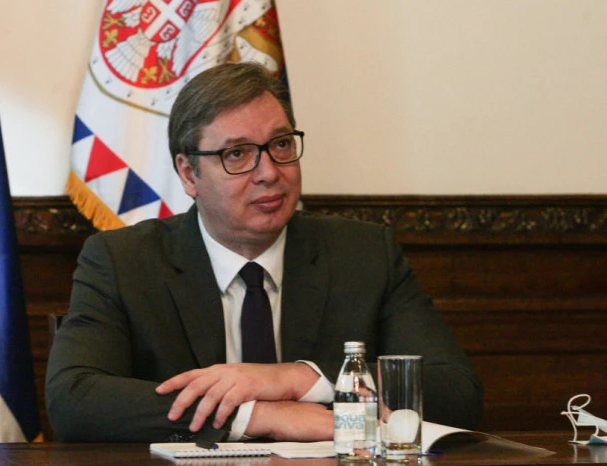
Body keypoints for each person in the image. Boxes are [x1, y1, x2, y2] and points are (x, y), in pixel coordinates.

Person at [46, 62, 483, 443]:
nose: (270, 172)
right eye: (237, 154)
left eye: (281, 144)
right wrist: (259, 415)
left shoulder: (364, 255)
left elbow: (457, 392)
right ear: (189, 174)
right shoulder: (123, 261)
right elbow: (74, 399)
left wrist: (299, 378)